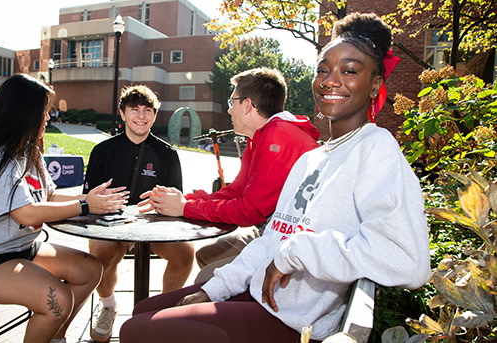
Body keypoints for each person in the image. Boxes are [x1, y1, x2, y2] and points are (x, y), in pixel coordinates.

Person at [121, 12, 431, 343]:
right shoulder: (312, 158)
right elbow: (273, 238)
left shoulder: (375, 148)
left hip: (294, 321)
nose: (330, 80)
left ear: (375, 85)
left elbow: (409, 261)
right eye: (323, 70)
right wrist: (216, 289)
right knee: (145, 308)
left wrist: (296, 251)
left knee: (135, 330)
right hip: (264, 295)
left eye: (350, 71)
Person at [0, 74, 129, 343]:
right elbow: (27, 213)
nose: (47, 117)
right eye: (43, 111)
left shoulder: (29, 152)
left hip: (19, 250)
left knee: (91, 269)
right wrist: (86, 204)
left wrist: (90, 198)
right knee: (60, 301)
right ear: (22, 113)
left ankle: (55, 338)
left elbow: (49, 196)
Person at [139, 67, 320, 282]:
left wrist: (184, 208)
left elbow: (249, 212)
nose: (228, 110)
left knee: (206, 280)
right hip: (274, 232)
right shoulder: (261, 137)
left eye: (231, 102)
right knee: (205, 254)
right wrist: (184, 200)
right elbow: (236, 192)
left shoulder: (277, 138)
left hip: (292, 248)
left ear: (248, 105)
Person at [82, 85, 191, 342]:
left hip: (154, 227)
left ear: (154, 115)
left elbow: (177, 200)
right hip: (112, 226)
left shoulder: (167, 154)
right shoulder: (103, 151)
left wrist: (161, 203)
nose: (141, 116)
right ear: (122, 113)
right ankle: (108, 306)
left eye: (148, 110)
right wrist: (104, 202)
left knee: (186, 254)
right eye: (135, 109)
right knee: (98, 255)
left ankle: (162, 310)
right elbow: (89, 198)